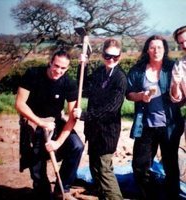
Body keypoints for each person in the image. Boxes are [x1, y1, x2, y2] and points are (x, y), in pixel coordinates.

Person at [15, 49, 84, 200]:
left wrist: (58, 143)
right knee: (37, 162)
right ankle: (42, 191)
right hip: (33, 121)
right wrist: (40, 122)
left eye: (63, 68)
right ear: (50, 62)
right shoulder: (33, 74)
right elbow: (20, 104)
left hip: (55, 121)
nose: (58, 70)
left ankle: (62, 189)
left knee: (77, 146)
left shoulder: (69, 83)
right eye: (56, 66)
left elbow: (72, 117)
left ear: (68, 68)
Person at [126, 35, 184, 200]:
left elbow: (178, 97)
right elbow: (129, 94)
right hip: (145, 125)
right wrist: (140, 96)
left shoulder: (172, 68)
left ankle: (172, 196)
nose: (156, 50)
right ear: (147, 50)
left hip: (170, 125)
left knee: (171, 166)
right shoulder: (138, 70)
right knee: (139, 166)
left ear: (165, 49)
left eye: (159, 47)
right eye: (152, 47)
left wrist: (176, 84)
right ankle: (150, 195)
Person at [73, 38, 127, 200]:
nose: (111, 60)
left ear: (120, 57)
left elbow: (111, 109)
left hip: (107, 132)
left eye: (115, 57)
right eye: (108, 56)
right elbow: (84, 87)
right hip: (93, 130)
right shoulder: (99, 72)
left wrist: (84, 116)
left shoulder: (120, 78)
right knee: (94, 167)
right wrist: (83, 65)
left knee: (104, 169)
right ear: (103, 55)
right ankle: (102, 196)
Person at [170, 25, 186, 105]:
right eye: (181, 43)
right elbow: (177, 99)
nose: (185, 45)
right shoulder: (178, 66)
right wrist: (176, 84)